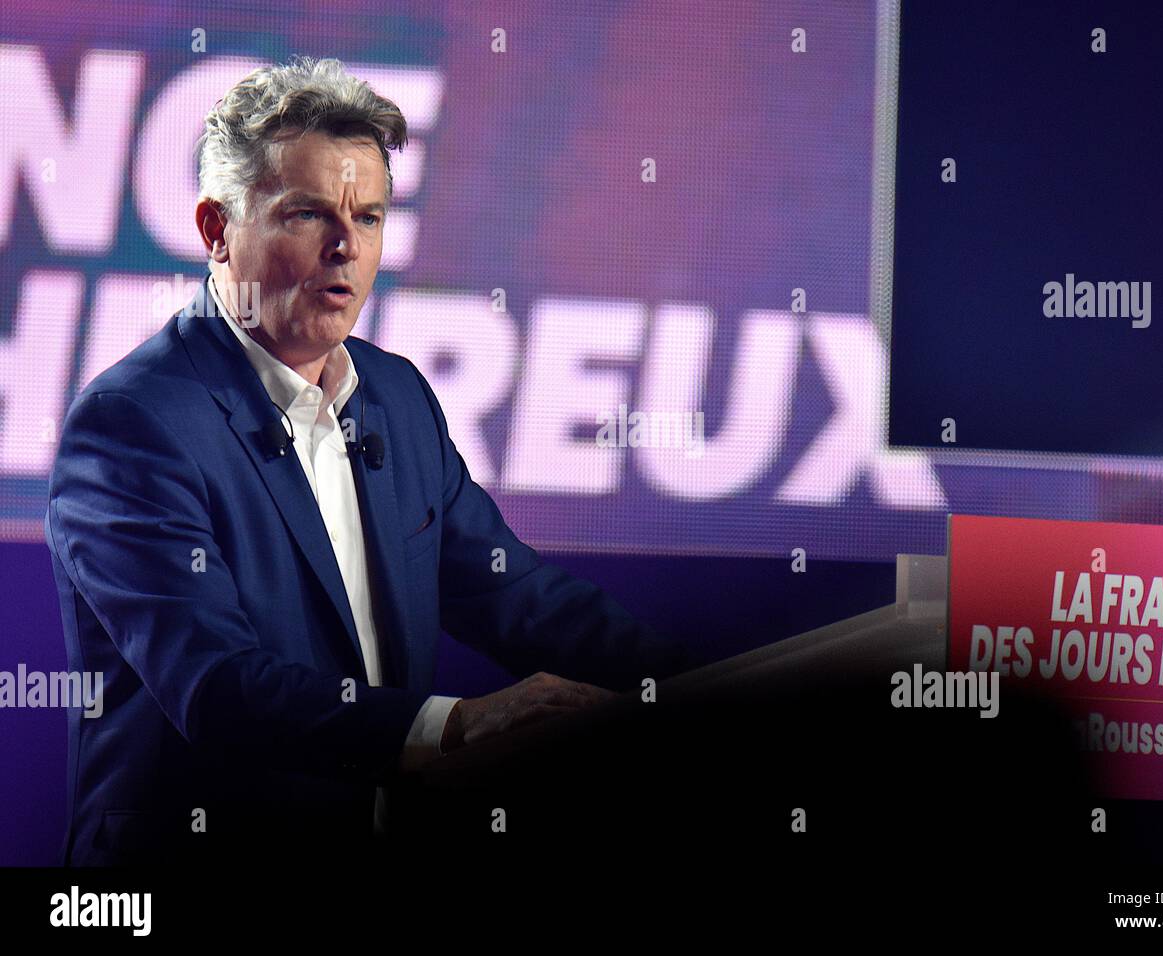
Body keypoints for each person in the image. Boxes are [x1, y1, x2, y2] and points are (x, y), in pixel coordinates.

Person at [45, 56, 689, 866]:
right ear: (216, 230)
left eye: (372, 217)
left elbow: (518, 598)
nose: (347, 248)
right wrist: (458, 725)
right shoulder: (133, 425)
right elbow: (214, 686)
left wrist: (701, 687)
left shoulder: (396, 396)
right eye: (309, 215)